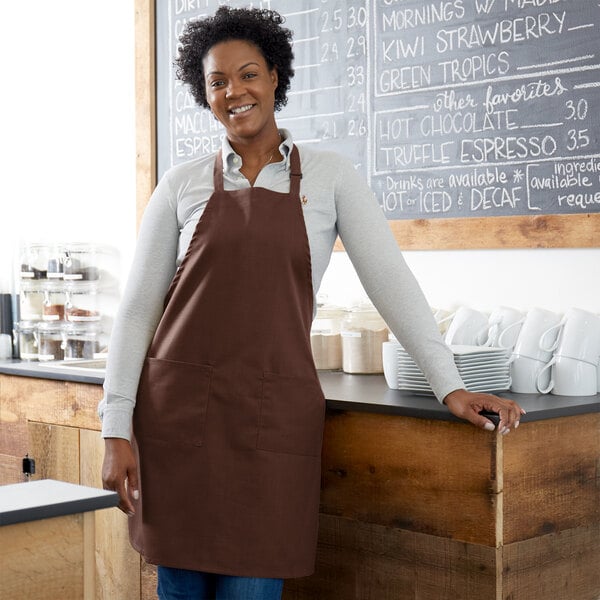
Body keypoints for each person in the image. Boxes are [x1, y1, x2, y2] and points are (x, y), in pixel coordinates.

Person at [100, 6, 524, 600]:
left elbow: (391, 284)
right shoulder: (180, 184)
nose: (233, 92)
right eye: (216, 82)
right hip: (176, 426)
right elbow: (138, 311)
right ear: (206, 95)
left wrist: (449, 385)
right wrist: (115, 427)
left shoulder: (329, 177)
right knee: (180, 589)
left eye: (247, 74)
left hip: (271, 422)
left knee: (252, 588)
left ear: (275, 75)